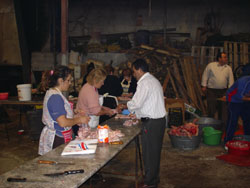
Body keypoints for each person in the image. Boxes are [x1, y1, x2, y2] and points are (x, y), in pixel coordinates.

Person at [126, 59, 166, 188]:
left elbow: (137, 103)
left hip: (152, 123)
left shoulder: (144, 82)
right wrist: (137, 114)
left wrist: (126, 104)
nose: (134, 74)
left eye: (134, 71)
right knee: (154, 153)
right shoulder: (153, 80)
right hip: (158, 121)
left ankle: (150, 183)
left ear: (139, 70)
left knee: (149, 154)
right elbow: (148, 103)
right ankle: (153, 178)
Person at [38, 66, 90, 155]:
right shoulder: (55, 97)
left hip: (60, 135)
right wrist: (79, 120)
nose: (70, 83)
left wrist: (73, 113)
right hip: (57, 137)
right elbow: (62, 122)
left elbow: (57, 114)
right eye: (68, 80)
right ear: (60, 81)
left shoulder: (54, 93)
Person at [201, 52, 234, 118]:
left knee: (223, 110)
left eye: (226, 57)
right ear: (219, 58)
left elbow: (231, 80)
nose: (226, 58)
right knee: (211, 108)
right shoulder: (211, 65)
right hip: (211, 91)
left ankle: (221, 125)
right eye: (224, 57)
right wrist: (204, 86)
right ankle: (210, 124)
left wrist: (229, 92)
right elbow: (205, 75)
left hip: (223, 91)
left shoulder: (228, 68)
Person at [224, 75, 250, 144]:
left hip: (245, 100)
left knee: (247, 119)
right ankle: (227, 141)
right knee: (233, 120)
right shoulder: (243, 81)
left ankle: (247, 139)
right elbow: (239, 96)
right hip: (233, 100)